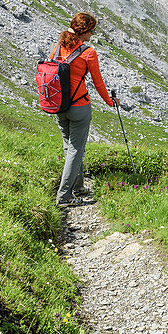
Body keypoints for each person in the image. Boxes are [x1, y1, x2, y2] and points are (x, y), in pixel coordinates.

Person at [52, 11, 114, 204]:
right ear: (84, 31)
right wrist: (110, 102)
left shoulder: (58, 47)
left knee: (68, 147)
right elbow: (98, 83)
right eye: (91, 31)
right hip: (79, 107)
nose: (92, 35)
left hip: (59, 105)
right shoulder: (88, 52)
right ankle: (64, 196)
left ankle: (77, 186)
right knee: (76, 149)